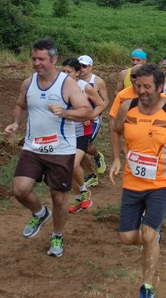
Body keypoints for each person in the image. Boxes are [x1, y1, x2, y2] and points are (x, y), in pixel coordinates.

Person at [109, 64, 166, 298]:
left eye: (147, 86)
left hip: (161, 182)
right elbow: (115, 129)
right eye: (138, 86)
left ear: (159, 87)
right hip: (132, 182)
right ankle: (153, 239)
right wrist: (116, 158)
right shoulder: (128, 107)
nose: (141, 90)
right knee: (127, 237)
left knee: (147, 232)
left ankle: (146, 285)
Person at [4, 37, 94, 258]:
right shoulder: (28, 83)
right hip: (33, 147)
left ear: (53, 59)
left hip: (61, 150)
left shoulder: (67, 84)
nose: (36, 63)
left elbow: (86, 111)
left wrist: (65, 112)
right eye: (34, 58)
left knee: (59, 197)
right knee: (19, 189)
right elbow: (20, 105)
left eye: (41, 59)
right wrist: (16, 122)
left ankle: (57, 235)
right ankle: (40, 213)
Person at [61, 58, 105, 214]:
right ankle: (80, 197)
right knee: (68, 169)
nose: (65, 74)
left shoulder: (84, 87)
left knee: (72, 164)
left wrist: (90, 115)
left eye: (69, 72)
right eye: (63, 71)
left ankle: (85, 192)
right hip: (65, 132)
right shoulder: (59, 87)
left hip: (82, 133)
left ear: (78, 73)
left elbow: (101, 103)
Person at [77, 55, 109, 187]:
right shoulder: (72, 81)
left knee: (84, 147)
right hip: (77, 119)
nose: (81, 69)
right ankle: (91, 175)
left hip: (93, 119)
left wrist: (95, 114)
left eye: (84, 66)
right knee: (77, 148)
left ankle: (97, 156)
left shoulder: (98, 82)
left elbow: (105, 100)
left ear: (90, 67)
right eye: (79, 66)